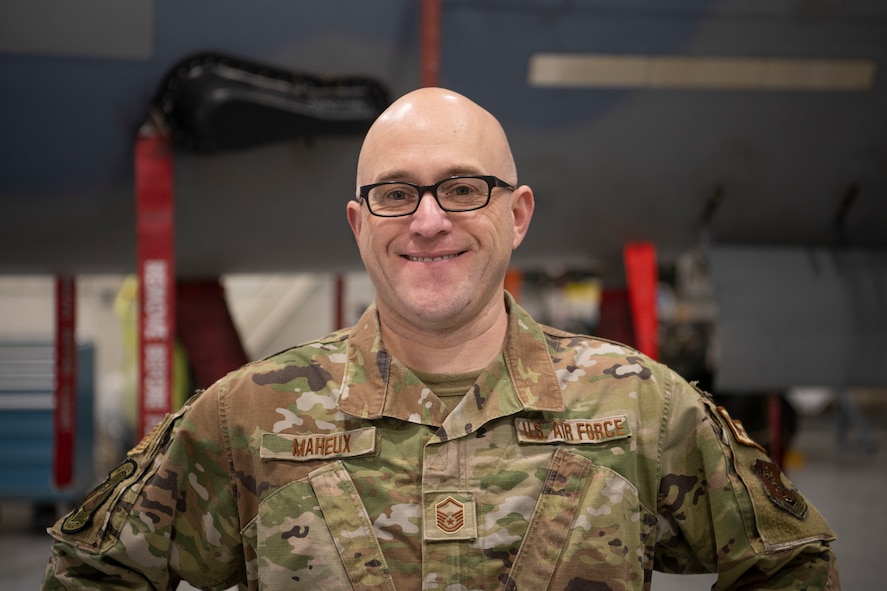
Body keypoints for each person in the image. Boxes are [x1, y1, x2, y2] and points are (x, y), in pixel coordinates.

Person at [42, 87, 839, 590]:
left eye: (462, 188)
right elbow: (92, 569)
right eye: (396, 194)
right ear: (359, 225)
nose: (428, 220)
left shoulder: (637, 404)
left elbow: (792, 557)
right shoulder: (249, 415)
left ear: (517, 214)